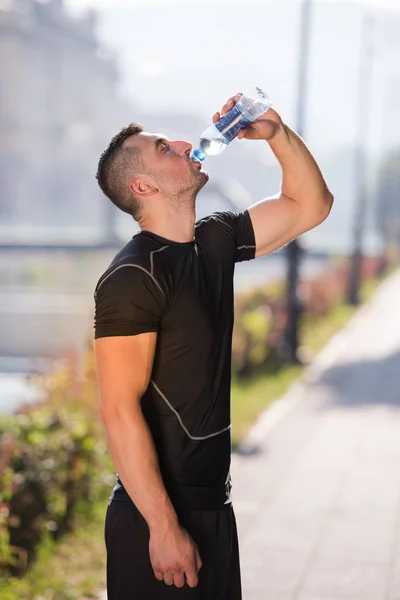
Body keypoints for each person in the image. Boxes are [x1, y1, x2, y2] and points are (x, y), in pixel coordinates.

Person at [93, 92, 333, 599]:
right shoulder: (133, 275)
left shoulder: (215, 241)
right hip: (154, 521)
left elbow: (311, 206)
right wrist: (162, 527)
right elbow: (118, 409)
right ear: (144, 186)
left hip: (214, 509)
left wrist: (279, 135)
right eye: (163, 148)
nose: (183, 144)